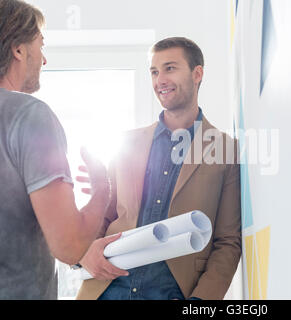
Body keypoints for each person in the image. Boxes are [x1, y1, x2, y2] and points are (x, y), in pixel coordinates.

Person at [76, 37, 242, 300]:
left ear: (197, 74)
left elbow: (228, 242)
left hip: (173, 293)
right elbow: (102, 218)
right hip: (106, 288)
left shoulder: (225, 149)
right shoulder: (126, 142)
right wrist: (84, 252)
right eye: (154, 71)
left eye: (170, 68)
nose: (159, 80)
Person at [0, 0, 117, 299]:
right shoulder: (30, 115)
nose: (44, 59)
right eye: (40, 44)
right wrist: (102, 188)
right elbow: (69, 246)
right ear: (18, 49)